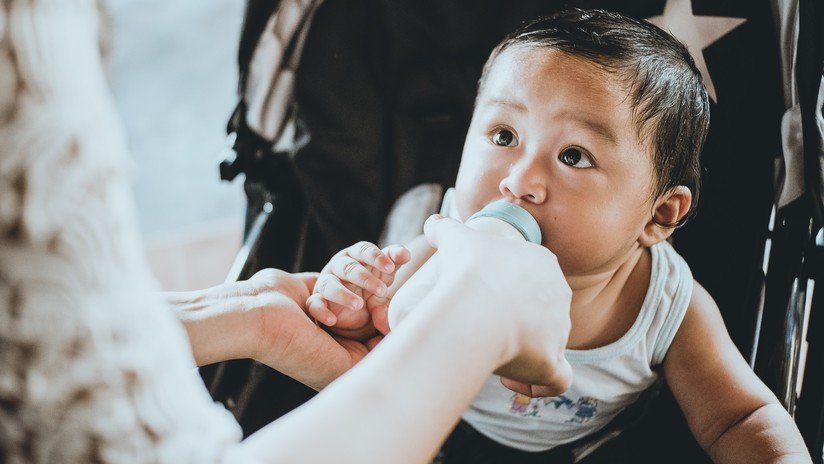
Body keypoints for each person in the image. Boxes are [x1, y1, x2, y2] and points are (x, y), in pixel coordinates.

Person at [307, 9, 812, 463]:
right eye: (504, 136)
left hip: (592, 446)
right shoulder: (449, 246)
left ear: (657, 215)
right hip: (443, 429)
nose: (519, 181)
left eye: (573, 156)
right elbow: (376, 333)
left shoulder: (666, 307)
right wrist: (352, 304)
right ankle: (410, 207)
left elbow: (738, 419)